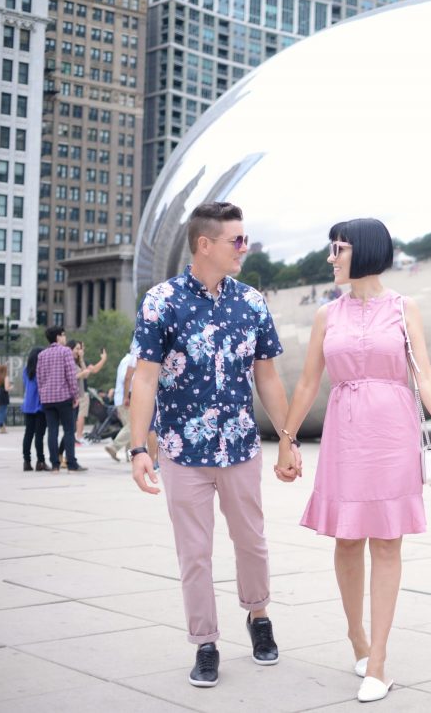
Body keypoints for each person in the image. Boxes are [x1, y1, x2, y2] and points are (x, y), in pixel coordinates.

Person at [276, 217, 431, 704]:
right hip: (345, 434)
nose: (331, 258)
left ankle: (378, 659)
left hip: (392, 435)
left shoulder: (405, 309)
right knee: (345, 542)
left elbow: (424, 374)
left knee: (386, 544)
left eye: (337, 249)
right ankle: (356, 637)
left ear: (361, 251)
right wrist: (287, 438)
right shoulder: (327, 315)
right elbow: (306, 383)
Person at [129, 202, 292, 689]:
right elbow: (145, 379)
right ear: (205, 245)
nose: (245, 248)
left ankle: (258, 617)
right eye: (236, 240)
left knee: (252, 542)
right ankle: (205, 642)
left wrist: (286, 440)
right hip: (181, 451)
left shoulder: (252, 303)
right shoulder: (161, 301)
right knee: (194, 553)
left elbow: (268, 376)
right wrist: (139, 448)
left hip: (241, 447)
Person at [37, 326, 84, 472]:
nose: (65, 338)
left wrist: (42, 395)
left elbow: (39, 379)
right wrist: (75, 395)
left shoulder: (42, 355)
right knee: (69, 431)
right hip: (64, 397)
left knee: (52, 431)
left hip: (47, 399)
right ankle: (71, 464)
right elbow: (71, 376)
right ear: (58, 337)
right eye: (63, 335)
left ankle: (55, 466)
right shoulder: (65, 352)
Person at [106, 351, 135, 463]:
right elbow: (126, 378)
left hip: (123, 398)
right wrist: (126, 397)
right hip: (125, 399)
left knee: (129, 428)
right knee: (132, 426)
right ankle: (114, 447)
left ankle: (130, 455)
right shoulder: (129, 360)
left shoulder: (126, 359)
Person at [22, 347, 48, 471]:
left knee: (28, 434)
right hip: (40, 406)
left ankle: (26, 462)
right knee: (39, 435)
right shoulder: (42, 370)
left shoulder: (26, 371)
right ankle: (40, 461)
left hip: (28, 406)